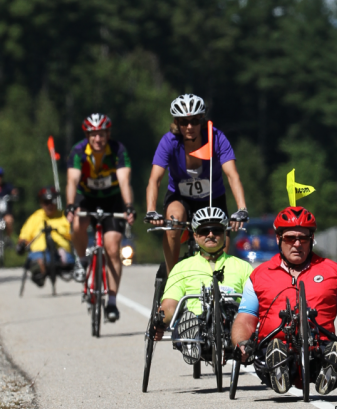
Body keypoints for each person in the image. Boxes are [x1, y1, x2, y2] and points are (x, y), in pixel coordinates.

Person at [231, 206, 337, 395]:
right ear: (278, 239)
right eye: (290, 238)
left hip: (319, 347)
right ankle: (279, 368)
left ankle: (330, 365)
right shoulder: (259, 275)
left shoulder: (334, 272)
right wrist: (242, 343)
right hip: (273, 346)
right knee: (273, 349)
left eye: (303, 238)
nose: (297, 244)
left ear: (311, 239)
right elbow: (245, 318)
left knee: (332, 350)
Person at [145, 94, 249, 274]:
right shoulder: (169, 142)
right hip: (180, 197)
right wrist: (151, 210)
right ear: (177, 123)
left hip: (212, 198)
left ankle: (218, 287)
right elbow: (155, 179)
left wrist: (242, 209)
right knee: (173, 222)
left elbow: (232, 175)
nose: (190, 127)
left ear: (202, 120)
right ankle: (172, 277)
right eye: (184, 122)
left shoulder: (216, 138)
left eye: (194, 121)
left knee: (221, 240)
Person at [154, 207, 253, 364]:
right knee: (188, 321)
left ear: (225, 234)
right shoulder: (182, 267)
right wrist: (160, 321)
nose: (211, 235)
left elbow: (256, 303)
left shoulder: (243, 267)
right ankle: (190, 341)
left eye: (216, 231)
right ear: (195, 235)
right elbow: (170, 305)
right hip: (197, 321)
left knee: (242, 318)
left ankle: (244, 347)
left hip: (233, 322)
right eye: (204, 231)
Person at [65, 113, 135, 322]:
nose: (98, 139)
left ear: (107, 135)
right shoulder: (78, 151)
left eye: (102, 135)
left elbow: (124, 182)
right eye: (94, 135)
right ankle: (82, 260)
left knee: (112, 247)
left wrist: (129, 207)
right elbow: (72, 181)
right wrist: (69, 205)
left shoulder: (117, 151)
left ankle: (112, 301)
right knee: (77, 222)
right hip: (86, 197)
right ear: (88, 135)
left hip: (112, 200)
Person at [16, 187, 73, 286]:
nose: (49, 205)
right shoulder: (35, 217)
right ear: (41, 203)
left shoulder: (64, 216)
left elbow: (74, 235)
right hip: (38, 252)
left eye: (52, 201)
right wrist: (21, 245)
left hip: (60, 252)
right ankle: (39, 271)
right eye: (46, 202)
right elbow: (24, 237)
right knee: (37, 260)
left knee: (67, 257)